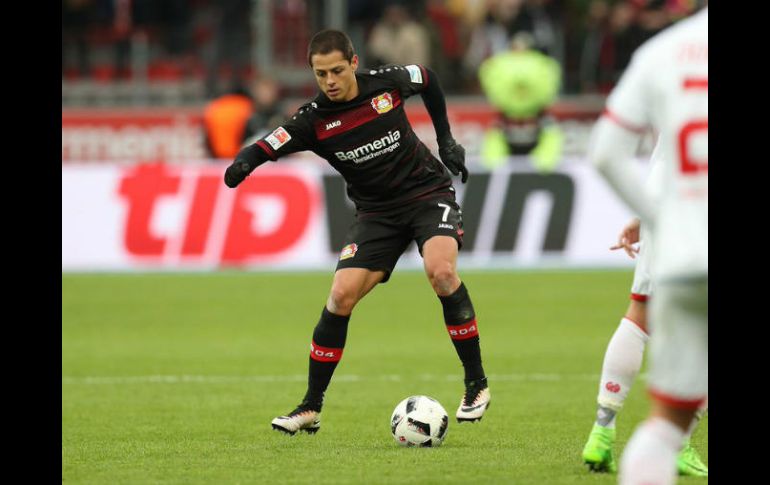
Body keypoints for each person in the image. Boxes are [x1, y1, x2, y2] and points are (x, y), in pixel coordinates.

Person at [223, 29, 491, 435]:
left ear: (353, 62)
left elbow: (429, 78)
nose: (329, 81)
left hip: (427, 194)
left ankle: (476, 385)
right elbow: (267, 144)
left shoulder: (386, 84)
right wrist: (243, 164)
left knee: (441, 272)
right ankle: (311, 407)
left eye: (336, 70)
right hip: (377, 214)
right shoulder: (313, 119)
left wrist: (446, 140)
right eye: (320, 74)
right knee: (340, 296)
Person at [587, 5, 707, 484]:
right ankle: (683, 440)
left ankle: (603, 430)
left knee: (639, 312)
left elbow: (610, 151)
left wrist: (652, 214)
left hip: (676, 214)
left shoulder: (665, 50)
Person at [580, 215, 707, 477]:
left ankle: (601, 433)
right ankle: (678, 442)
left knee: (639, 315)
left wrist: (644, 215)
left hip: (666, 215)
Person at [477, 32, 563, 172]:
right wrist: (493, 160)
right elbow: (495, 138)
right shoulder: (503, 120)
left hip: (535, 164)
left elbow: (551, 136)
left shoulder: (542, 119)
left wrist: (546, 158)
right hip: (508, 161)